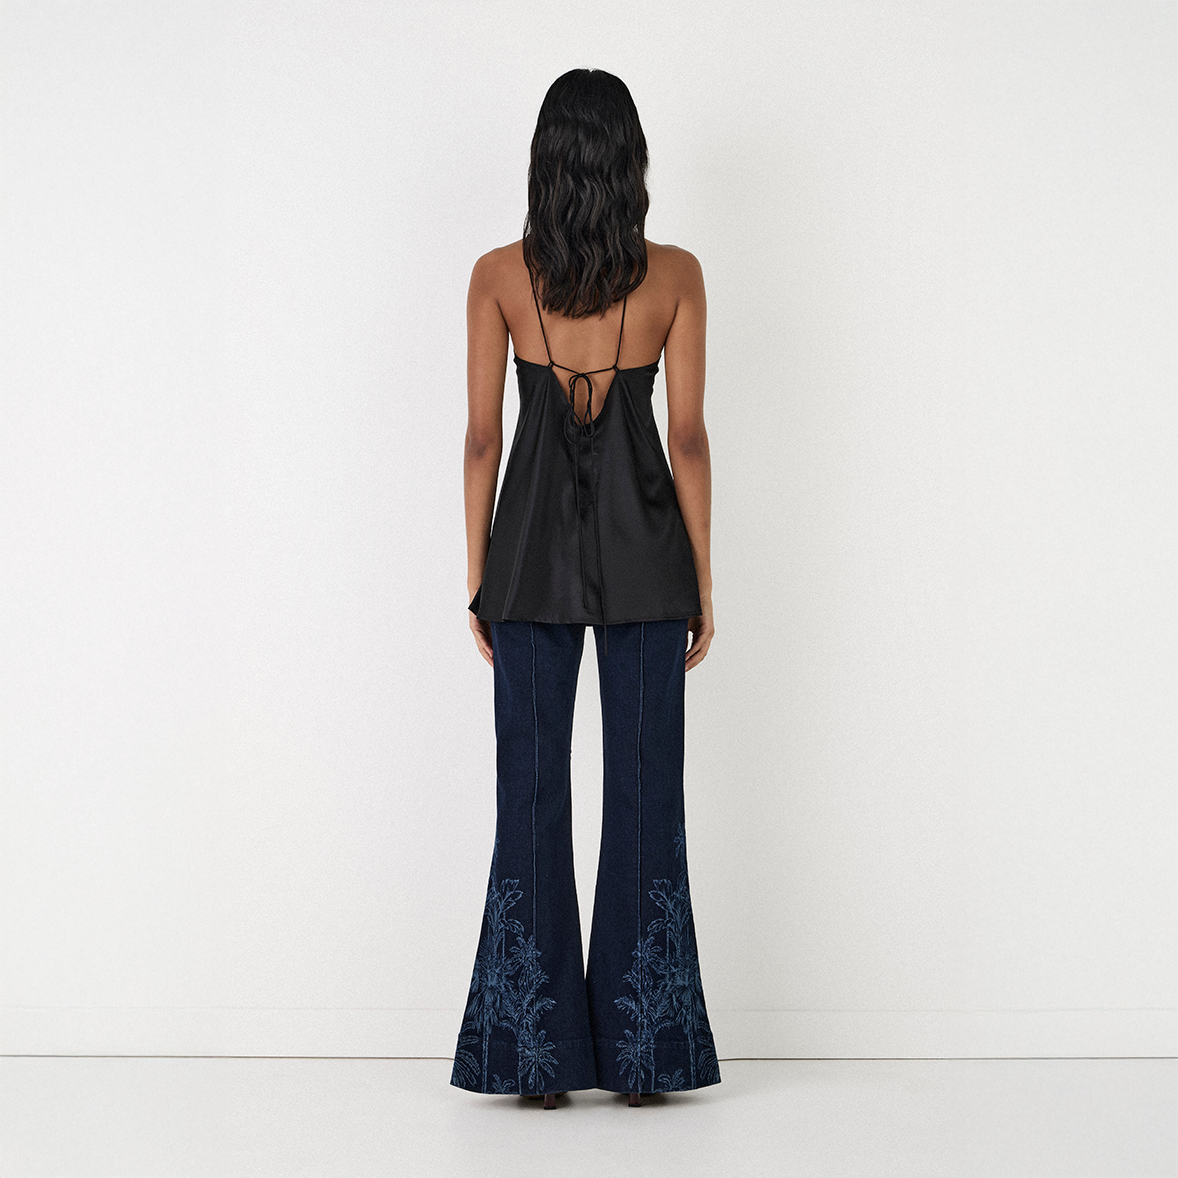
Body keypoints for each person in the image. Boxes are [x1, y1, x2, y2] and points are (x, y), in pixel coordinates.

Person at [450, 68, 720, 1109]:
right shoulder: (676, 276)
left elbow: (483, 439)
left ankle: (535, 1059)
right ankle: (646, 1057)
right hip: (650, 560)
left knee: (528, 794)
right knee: (647, 794)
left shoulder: (496, 277)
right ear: (630, 161)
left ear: (545, 161)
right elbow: (686, 438)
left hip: (524, 564)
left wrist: (477, 576)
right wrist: (704, 578)